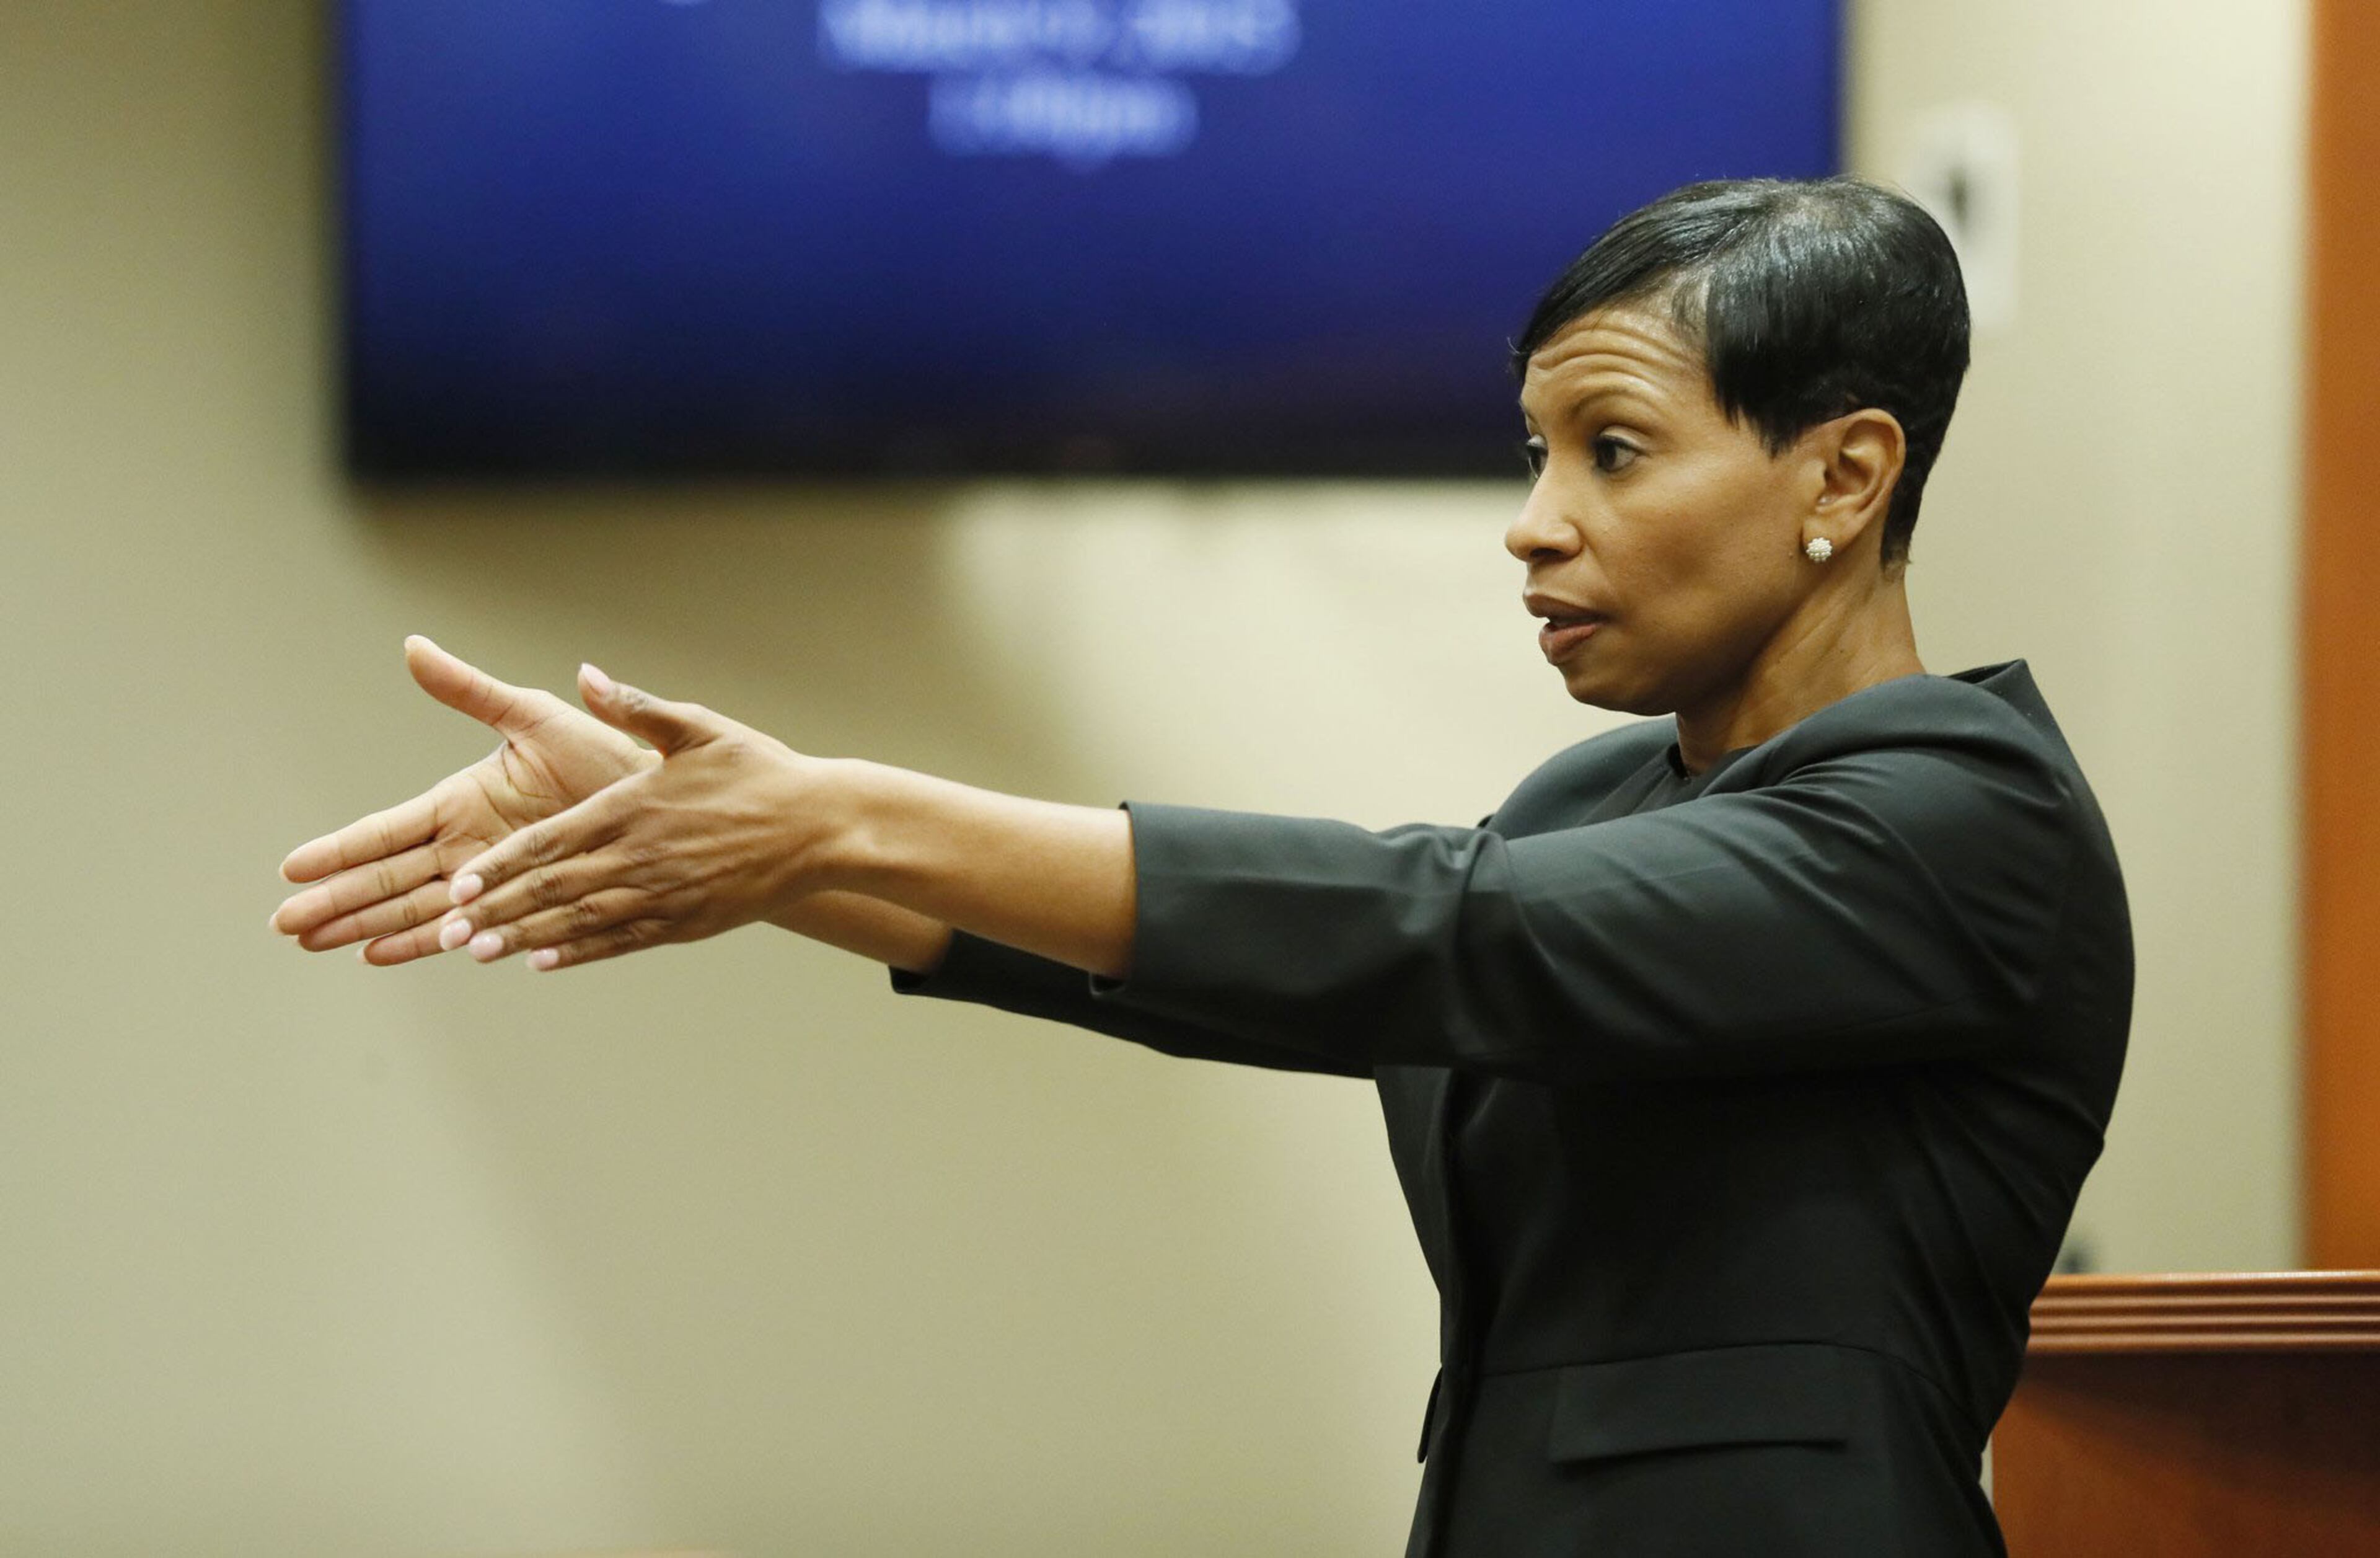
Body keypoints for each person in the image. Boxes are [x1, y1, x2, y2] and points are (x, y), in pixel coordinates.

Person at [270, 177, 2131, 1557]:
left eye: (1615, 450)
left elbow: (1442, 934)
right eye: (1537, 448)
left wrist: (832, 807)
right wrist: (748, 850)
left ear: (1844, 475)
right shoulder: (1592, 803)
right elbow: (1265, 966)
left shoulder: (1968, 812)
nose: (1535, 521)